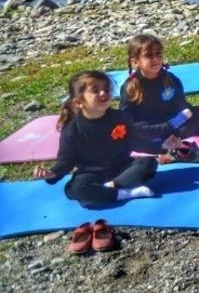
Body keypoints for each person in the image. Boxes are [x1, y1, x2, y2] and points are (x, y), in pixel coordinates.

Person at [33, 71, 160, 208]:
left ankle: (111, 187)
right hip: (92, 174)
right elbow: (66, 161)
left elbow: (137, 142)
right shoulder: (72, 129)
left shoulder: (120, 116)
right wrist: (52, 173)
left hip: (122, 168)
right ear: (79, 102)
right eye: (95, 90)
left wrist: (162, 146)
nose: (103, 93)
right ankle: (123, 193)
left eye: (105, 89)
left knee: (149, 163)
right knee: (76, 188)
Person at [119, 34, 199, 157]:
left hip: (171, 121)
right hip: (149, 126)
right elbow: (126, 119)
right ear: (136, 61)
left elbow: (181, 104)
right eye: (149, 55)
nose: (155, 59)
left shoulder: (170, 79)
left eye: (158, 54)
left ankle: (166, 138)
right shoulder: (130, 87)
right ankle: (165, 137)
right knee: (136, 130)